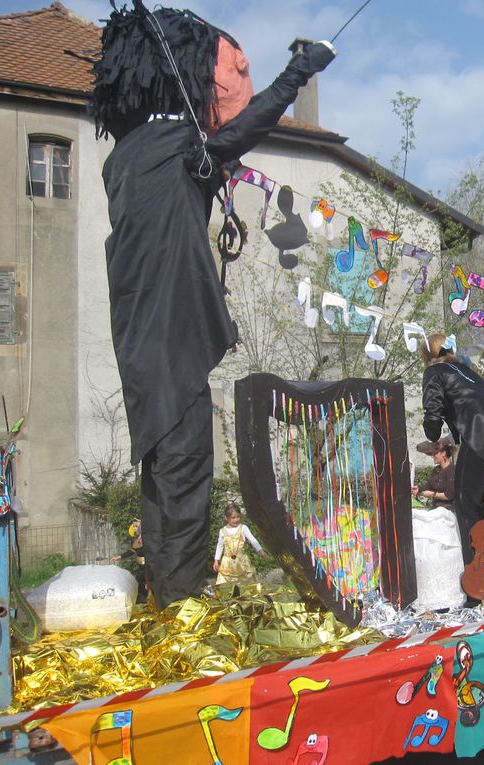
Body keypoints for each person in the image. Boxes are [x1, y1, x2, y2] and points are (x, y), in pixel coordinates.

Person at [91, 1, 335, 607]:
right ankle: (181, 607)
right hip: (172, 336)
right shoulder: (176, 144)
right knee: (185, 467)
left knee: (163, 470)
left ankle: (168, 598)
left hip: (143, 338)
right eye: (235, 70)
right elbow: (244, 129)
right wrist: (298, 74)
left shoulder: (127, 156)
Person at [420, 335, 484, 575]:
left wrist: (432, 431)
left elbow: (433, 416)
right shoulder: (465, 370)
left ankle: (480, 582)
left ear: (427, 355)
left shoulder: (434, 372)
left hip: (479, 435)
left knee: (467, 504)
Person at [213, 503, 267, 585]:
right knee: (225, 583)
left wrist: (261, 551)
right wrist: (216, 560)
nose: (236, 520)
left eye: (238, 517)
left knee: (245, 583)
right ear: (226, 518)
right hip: (227, 564)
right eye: (233, 518)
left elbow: (253, 540)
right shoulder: (222, 531)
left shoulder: (243, 528)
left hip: (242, 562)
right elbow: (220, 546)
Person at [109, 518, 150, 604]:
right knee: (138, 582)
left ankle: (152, 601)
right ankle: (145, 601)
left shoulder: (148, 538)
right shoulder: (137, 540)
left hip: (149, 567)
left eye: (136, 526)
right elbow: (132, 551)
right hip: (141, 567)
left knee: (149, 584)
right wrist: (119, 557)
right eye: (134, 526)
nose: (134, 528)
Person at [412, 438, 457, 511]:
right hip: (436, 509)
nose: (433, 456)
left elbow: (449, 495)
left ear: (443, 453)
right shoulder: (436, 470)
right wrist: (419, 489)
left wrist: (432, 494)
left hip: (449, 511)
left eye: (435, 453)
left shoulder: (452, 470)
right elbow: (429, 485)